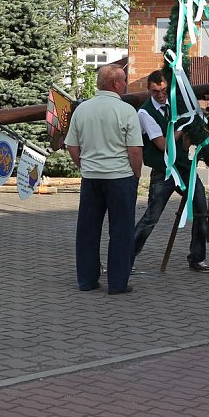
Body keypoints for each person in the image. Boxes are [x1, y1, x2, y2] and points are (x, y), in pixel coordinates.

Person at [65, 64, 143, 295]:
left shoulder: (82, 109)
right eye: (125, 80)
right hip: (119, 176)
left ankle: (87, 280)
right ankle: (117, 283)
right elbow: (135, 150)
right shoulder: (126, 110)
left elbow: (71, 145)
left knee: (88, 230)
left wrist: (84, 165)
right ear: (116, 84)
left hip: (91, 177)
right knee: (121, 230)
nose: (126, 84)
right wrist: (136, 174)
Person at [133, 70, 209, 273]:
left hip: (184, 168)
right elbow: (163, 145)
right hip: (163, 171)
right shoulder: (144, 112)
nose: (161, 95)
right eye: (155, 91)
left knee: (201, 208)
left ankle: (197, 258)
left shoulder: (174, 106)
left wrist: (194, 127)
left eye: (164, 90)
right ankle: (125, 257)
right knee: (152, 217)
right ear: (149, 90)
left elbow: (184, 143)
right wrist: (184, 126)